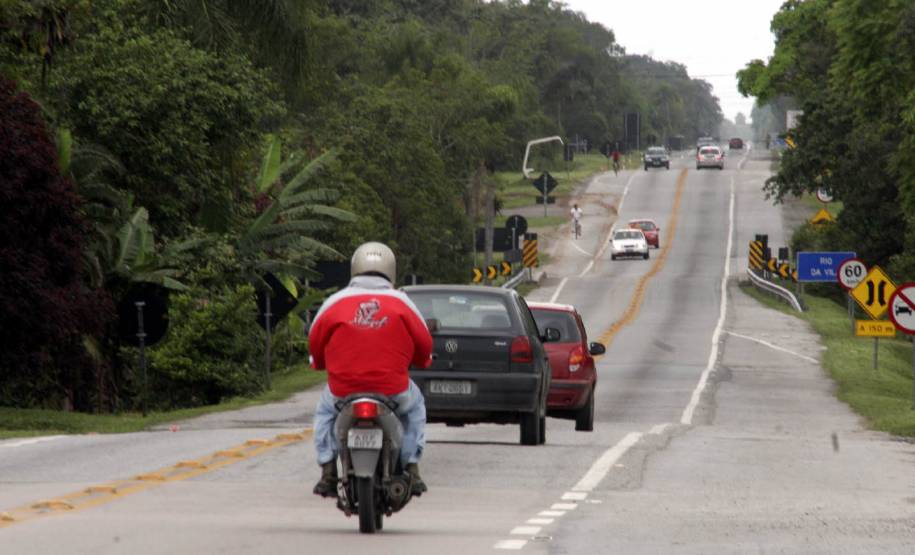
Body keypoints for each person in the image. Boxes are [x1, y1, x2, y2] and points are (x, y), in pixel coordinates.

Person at [308, 242, 433, 498]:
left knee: (324, 414)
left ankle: (328, 469)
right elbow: (424, 343)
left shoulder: (334, 302)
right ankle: (411, 466)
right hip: (393, 389)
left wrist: (319, 363)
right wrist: (423, 360)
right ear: (391, 270)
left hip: (343, 389)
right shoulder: (402, 302)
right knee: (415, 409)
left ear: (355, 269)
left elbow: (315, 340)